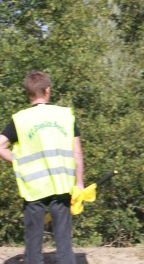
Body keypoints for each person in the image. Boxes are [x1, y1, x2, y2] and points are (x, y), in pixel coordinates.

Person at [0, 71, 84, 264]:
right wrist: (79, 183)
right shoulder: (65, 115)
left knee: (33, 242)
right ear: (48, 90)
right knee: (64, 241)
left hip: (33, 186)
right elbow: (77, 152)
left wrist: (19, 162)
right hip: (61, 185)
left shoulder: (20, 119)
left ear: (28, 93)